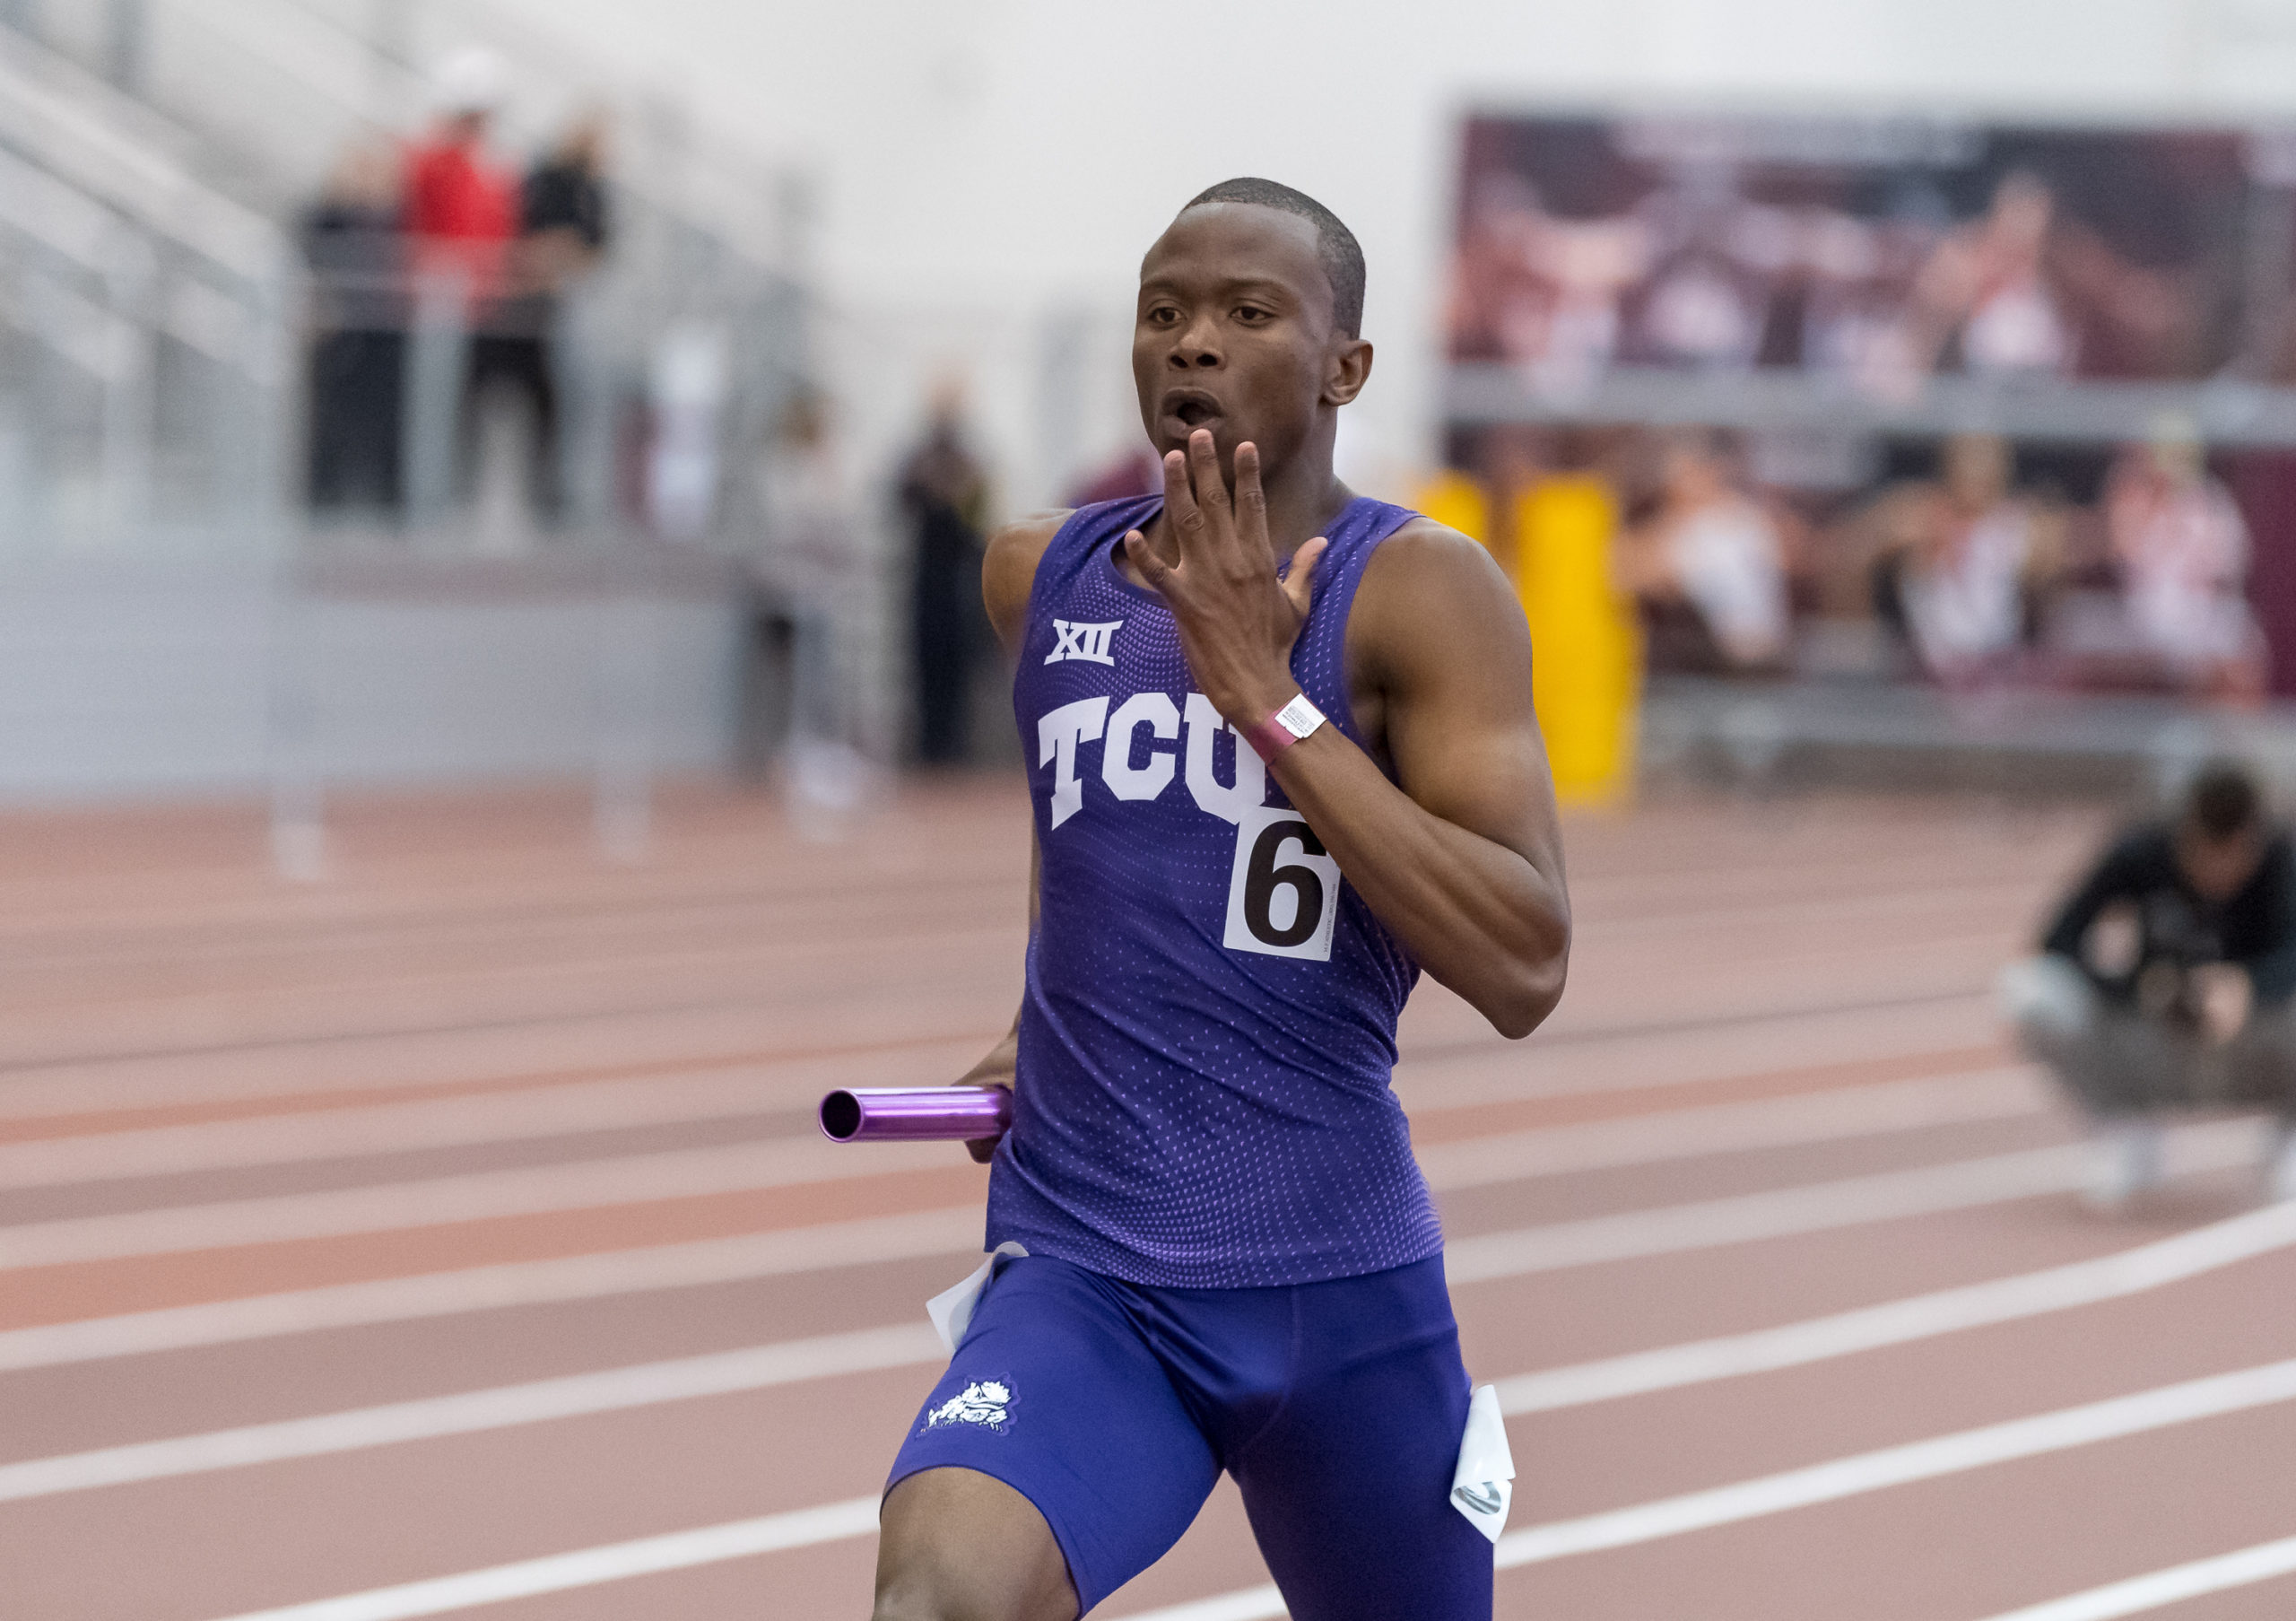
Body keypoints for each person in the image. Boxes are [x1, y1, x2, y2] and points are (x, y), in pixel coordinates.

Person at [872, 179, 1570, 1621]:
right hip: (1089, 1266)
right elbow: (1093, 828)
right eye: (1163, 311)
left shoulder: (1420, 592)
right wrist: (1036, 1012)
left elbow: (1524, 959)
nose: (1191, 342)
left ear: (1344, 365)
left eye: (1247, 314)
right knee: (942, 1593)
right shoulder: (1041, 574)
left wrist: (1272, 703)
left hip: (1337, 1286)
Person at [2002, 761, 2296, 1211]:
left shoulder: (2283, 860)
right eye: (2206, 854)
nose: (2218, 870)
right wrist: (2139, 987)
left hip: (2257, 1042)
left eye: (2233, 855)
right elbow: (2057, 940)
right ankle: (2122, 1125)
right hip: (2155, 1037)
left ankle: (2289, 1134)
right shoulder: (2140, 853)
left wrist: (2248, 986)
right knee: (2031, 990)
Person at [2101, 425, 2266, 700]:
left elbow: (2231, 563)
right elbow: (2122, 552)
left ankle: (2234, 735)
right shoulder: (2132, 494)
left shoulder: (2211, 498)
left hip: (2203, 608)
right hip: (2150, 610)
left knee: (2244, 644)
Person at [1619, 430, 1794, 673]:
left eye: (1682, 474)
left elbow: (1625, 573)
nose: (1670, 487)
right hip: (1726, 660)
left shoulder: (1723, 527)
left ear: (1714, 471)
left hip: (1743, 668)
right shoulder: (1741, 516)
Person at [900, 388, 991, 765]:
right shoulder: (918, 461)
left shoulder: (969, 464)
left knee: (958, 665)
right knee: (925, 662)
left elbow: (977, 522)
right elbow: (902, 500)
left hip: (959, 579)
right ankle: (927, 744)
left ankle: (955, 746)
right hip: (927, 578)